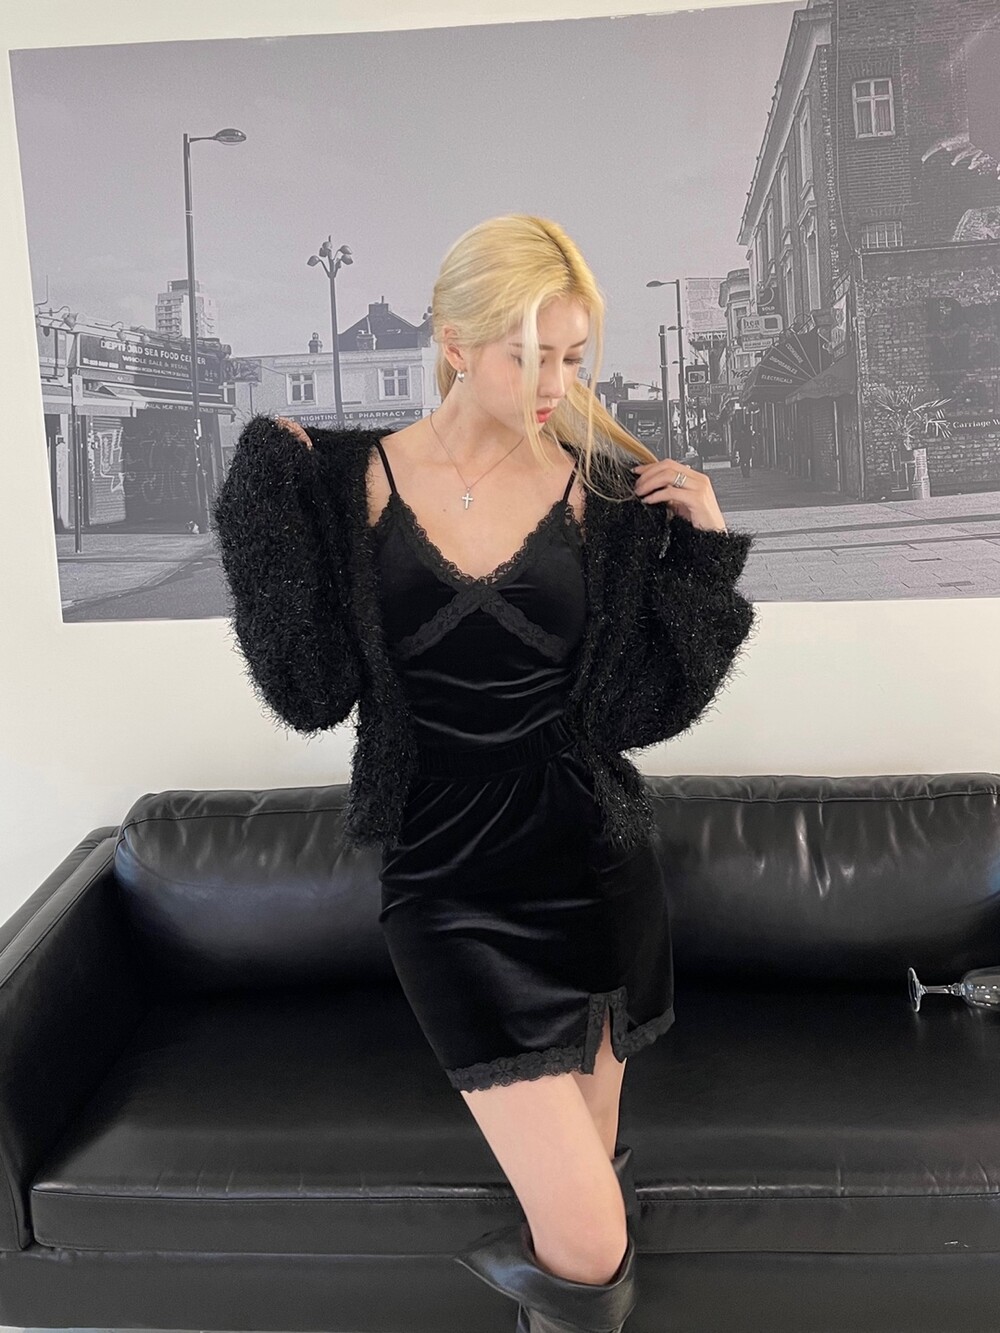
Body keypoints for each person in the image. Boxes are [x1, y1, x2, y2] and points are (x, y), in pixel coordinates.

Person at [215, 214, 756, 1333]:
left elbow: (641, 711)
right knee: (590, 1236)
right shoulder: (343, 480)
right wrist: (262, 497)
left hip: (594, 874)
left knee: (582, 1217)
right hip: (442, 886)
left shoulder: (606, 495)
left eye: (573, 356)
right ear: (455, 343)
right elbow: (309, 691)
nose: (557, 385)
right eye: (530, 355)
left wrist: (704, 554)